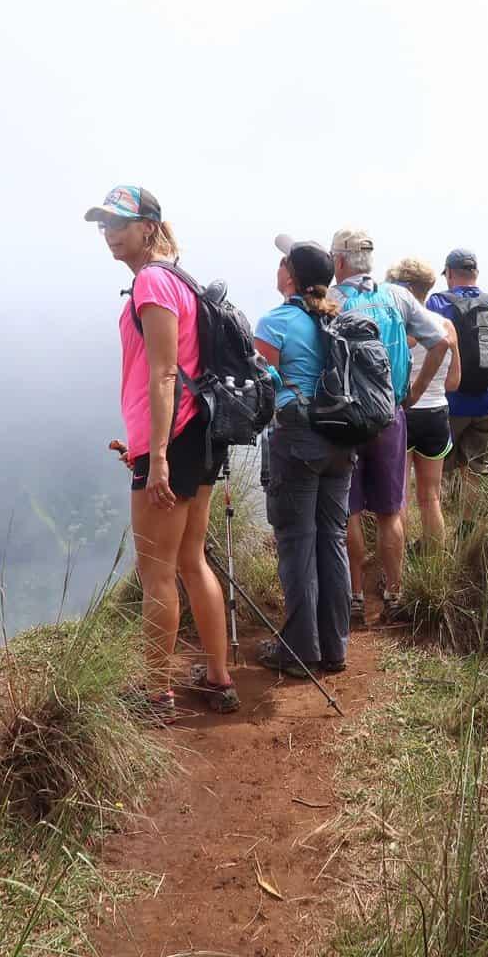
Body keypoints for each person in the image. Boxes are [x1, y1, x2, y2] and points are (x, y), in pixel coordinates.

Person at [87, 184, 238, 722]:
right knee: (191, 560)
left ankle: (156, 695)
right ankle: (219, 679)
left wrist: (155, 456)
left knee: (156, 573)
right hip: (197, 435)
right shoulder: (179, 278)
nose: (109, 233)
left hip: (171, 441)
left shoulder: (152, 282)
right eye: (103, 223)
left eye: (119, 223)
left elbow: (165, 371)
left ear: (148, 226)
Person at [329, 228, 449, 624]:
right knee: (389, 510)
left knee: (348, 512)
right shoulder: (397, 296)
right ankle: (395, 595)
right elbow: (440, 343)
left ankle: (355, 598)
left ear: (339, 261)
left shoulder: (331, 301)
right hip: (390, 415)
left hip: (345, 420)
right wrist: (412, 394)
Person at [250, 236, 353, 674]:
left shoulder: (274, 323)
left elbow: (258, 387)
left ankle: (299, 651)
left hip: (297, 438)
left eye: (281, 263)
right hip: (342, 436)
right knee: (332, 539)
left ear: (290, 277)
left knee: (297, 543)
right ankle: (335, 648)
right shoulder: (339, 319)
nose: (277, 268)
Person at [427, 249, 488, 503]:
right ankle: (467, 529)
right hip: (486, 403)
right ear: (476, 274)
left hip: (448, 403)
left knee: (438, 472)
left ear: (449, 273)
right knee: (475, 471)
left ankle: (438, 537)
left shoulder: (437, 304)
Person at [385, 258, 461, 552]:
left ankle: (397, 569)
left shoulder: (395, 327)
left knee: (399, 496)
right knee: (431, 497)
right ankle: (433, 566)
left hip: (403, 414)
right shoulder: (446, 326)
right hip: (437, 413)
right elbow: (453, 381)